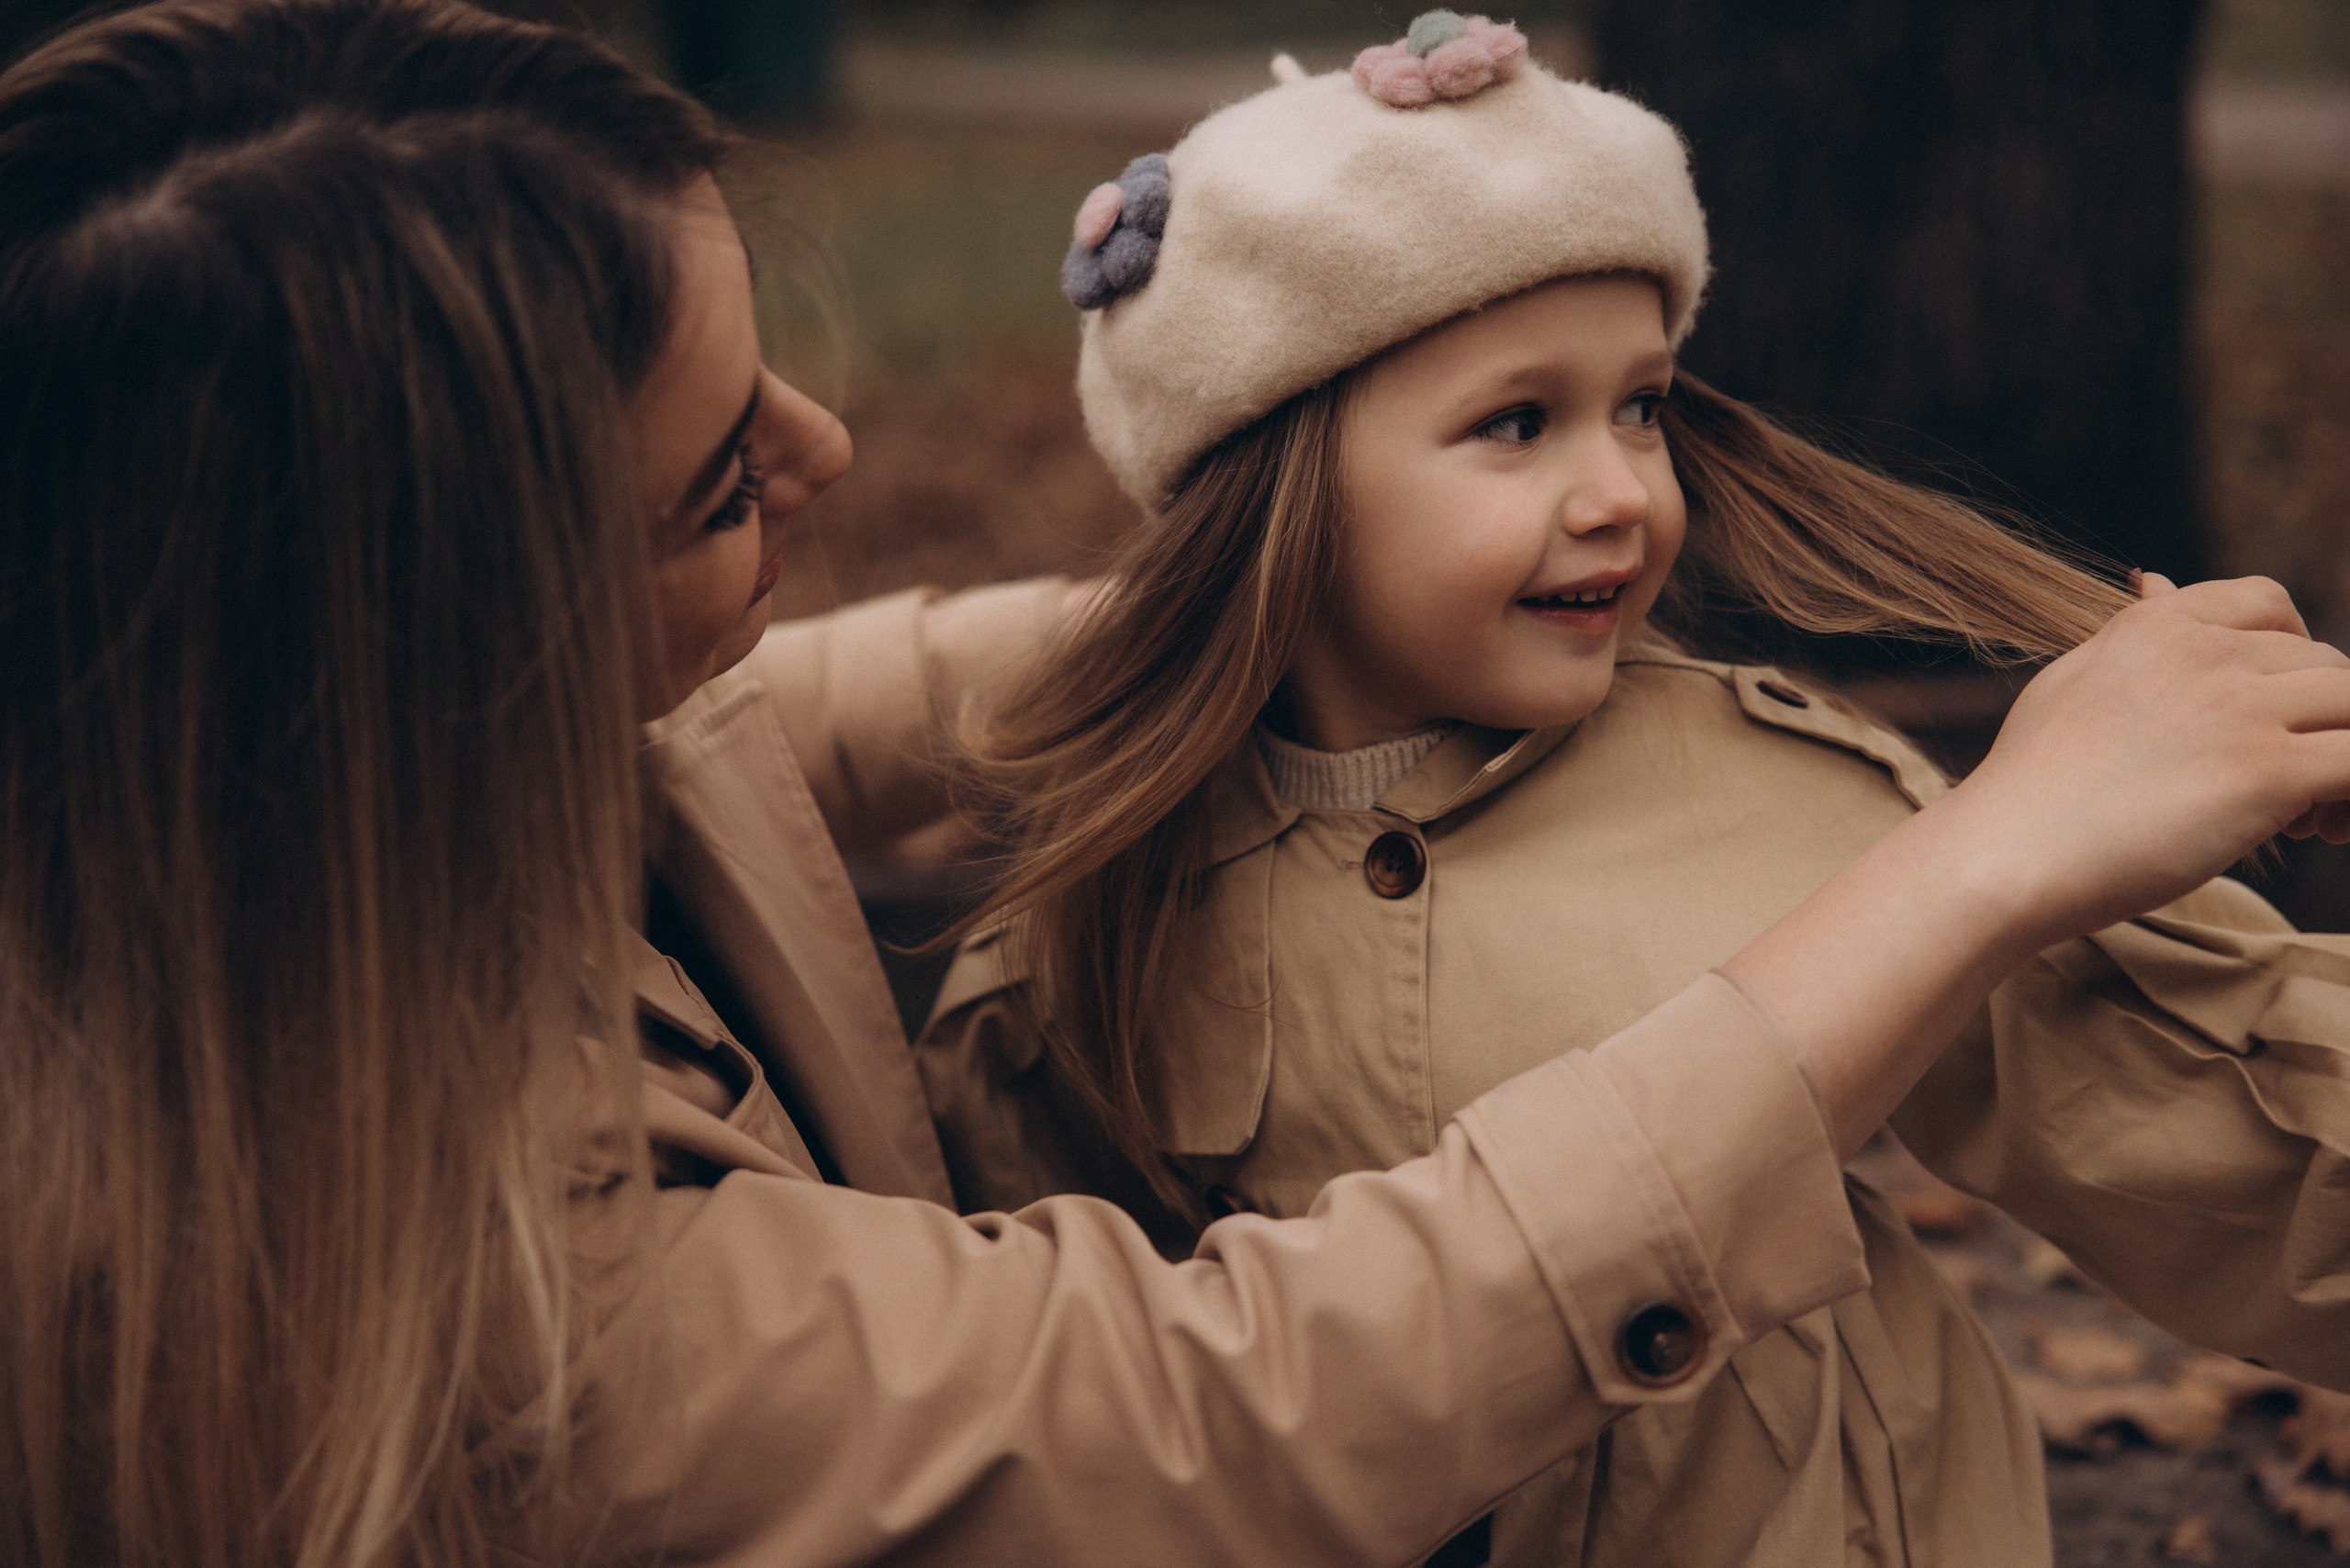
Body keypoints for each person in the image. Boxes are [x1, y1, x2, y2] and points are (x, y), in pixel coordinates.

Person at [5, 4, 2349, 1566]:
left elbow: (808, 720)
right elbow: (1206, 1412)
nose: (829, 457)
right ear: (436, 661)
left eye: (1633, 399)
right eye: (720, 478)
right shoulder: (449, 1289)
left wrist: (1264, 615)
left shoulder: (227, 800)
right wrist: (1970, 869)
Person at [917, 19, 2350, 1567]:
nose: (1621, 493)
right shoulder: (1111, 895)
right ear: (1273, 492)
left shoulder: (1802, 815)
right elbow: (1060, 1368)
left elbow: (2221, 1116)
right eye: (1516, 424)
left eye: (1645, 407)